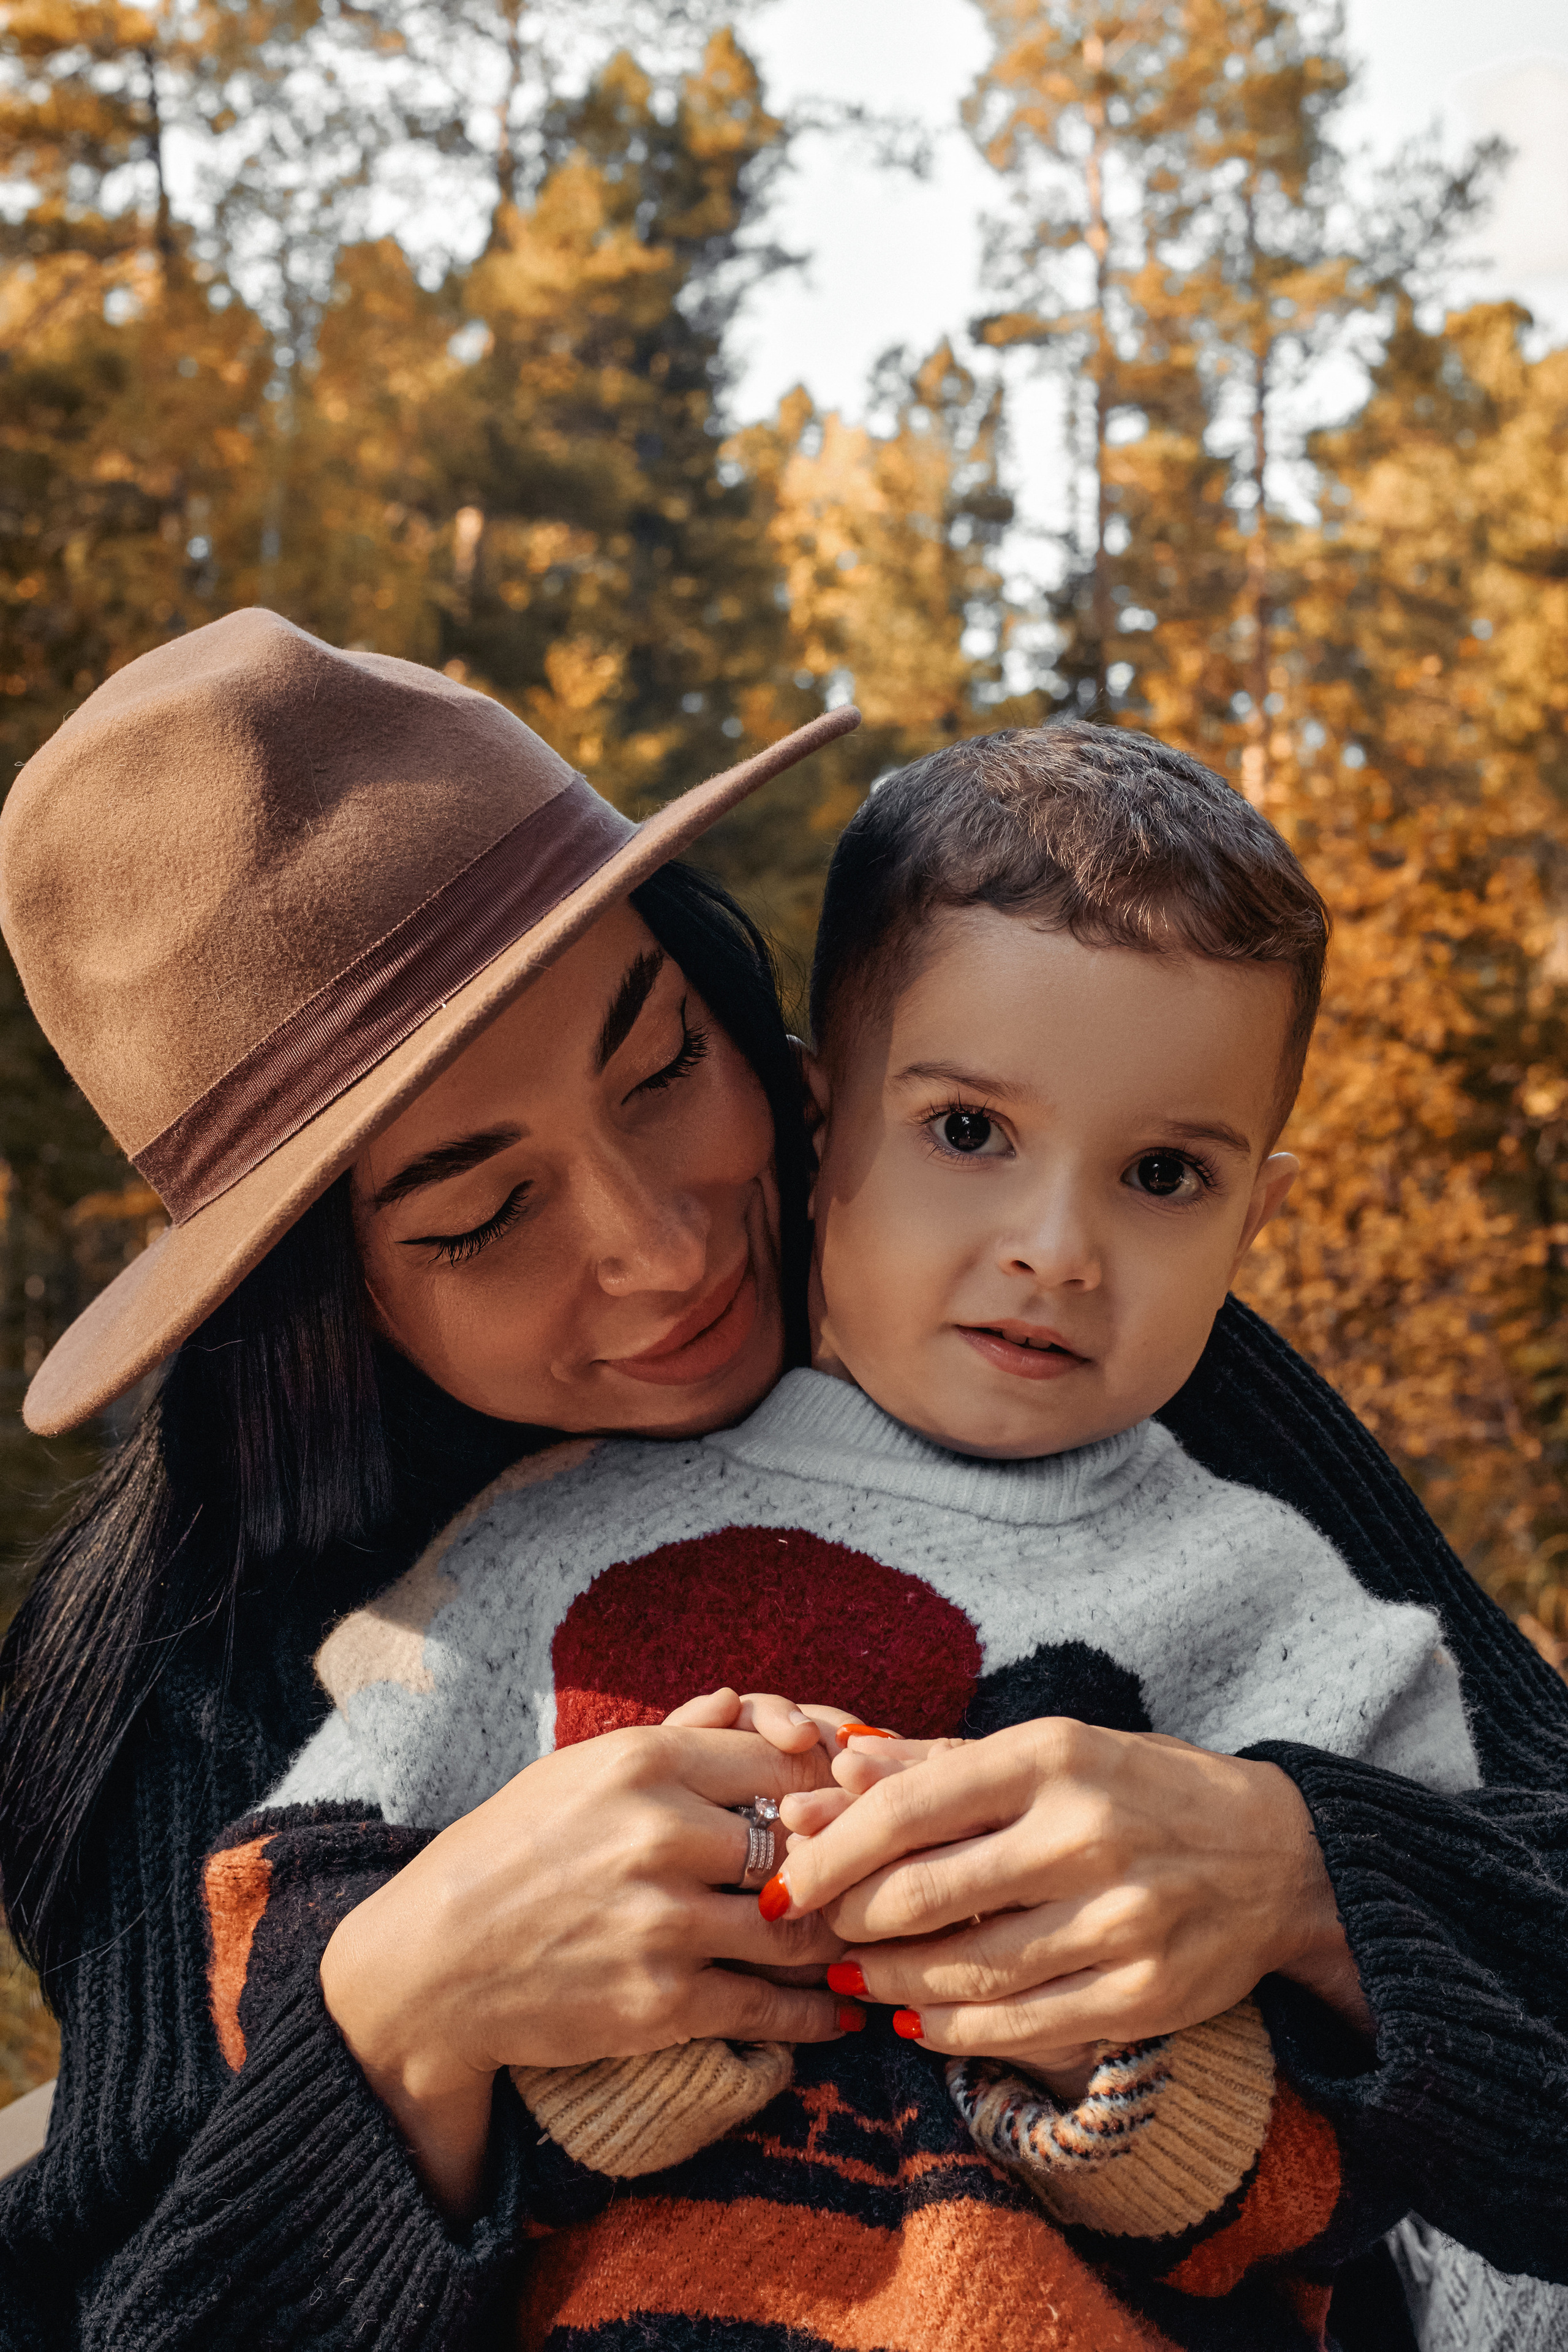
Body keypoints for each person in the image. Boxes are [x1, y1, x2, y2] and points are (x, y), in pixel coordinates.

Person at [0, 615, 1561, 2348]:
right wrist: (402, 2015)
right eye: (480, 1215)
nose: (665, 1247)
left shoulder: (1040, 1311)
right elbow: (122, 2297)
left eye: (663, 1065)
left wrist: (1299, 1872)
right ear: (308, 1308)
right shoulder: (196, 1675)